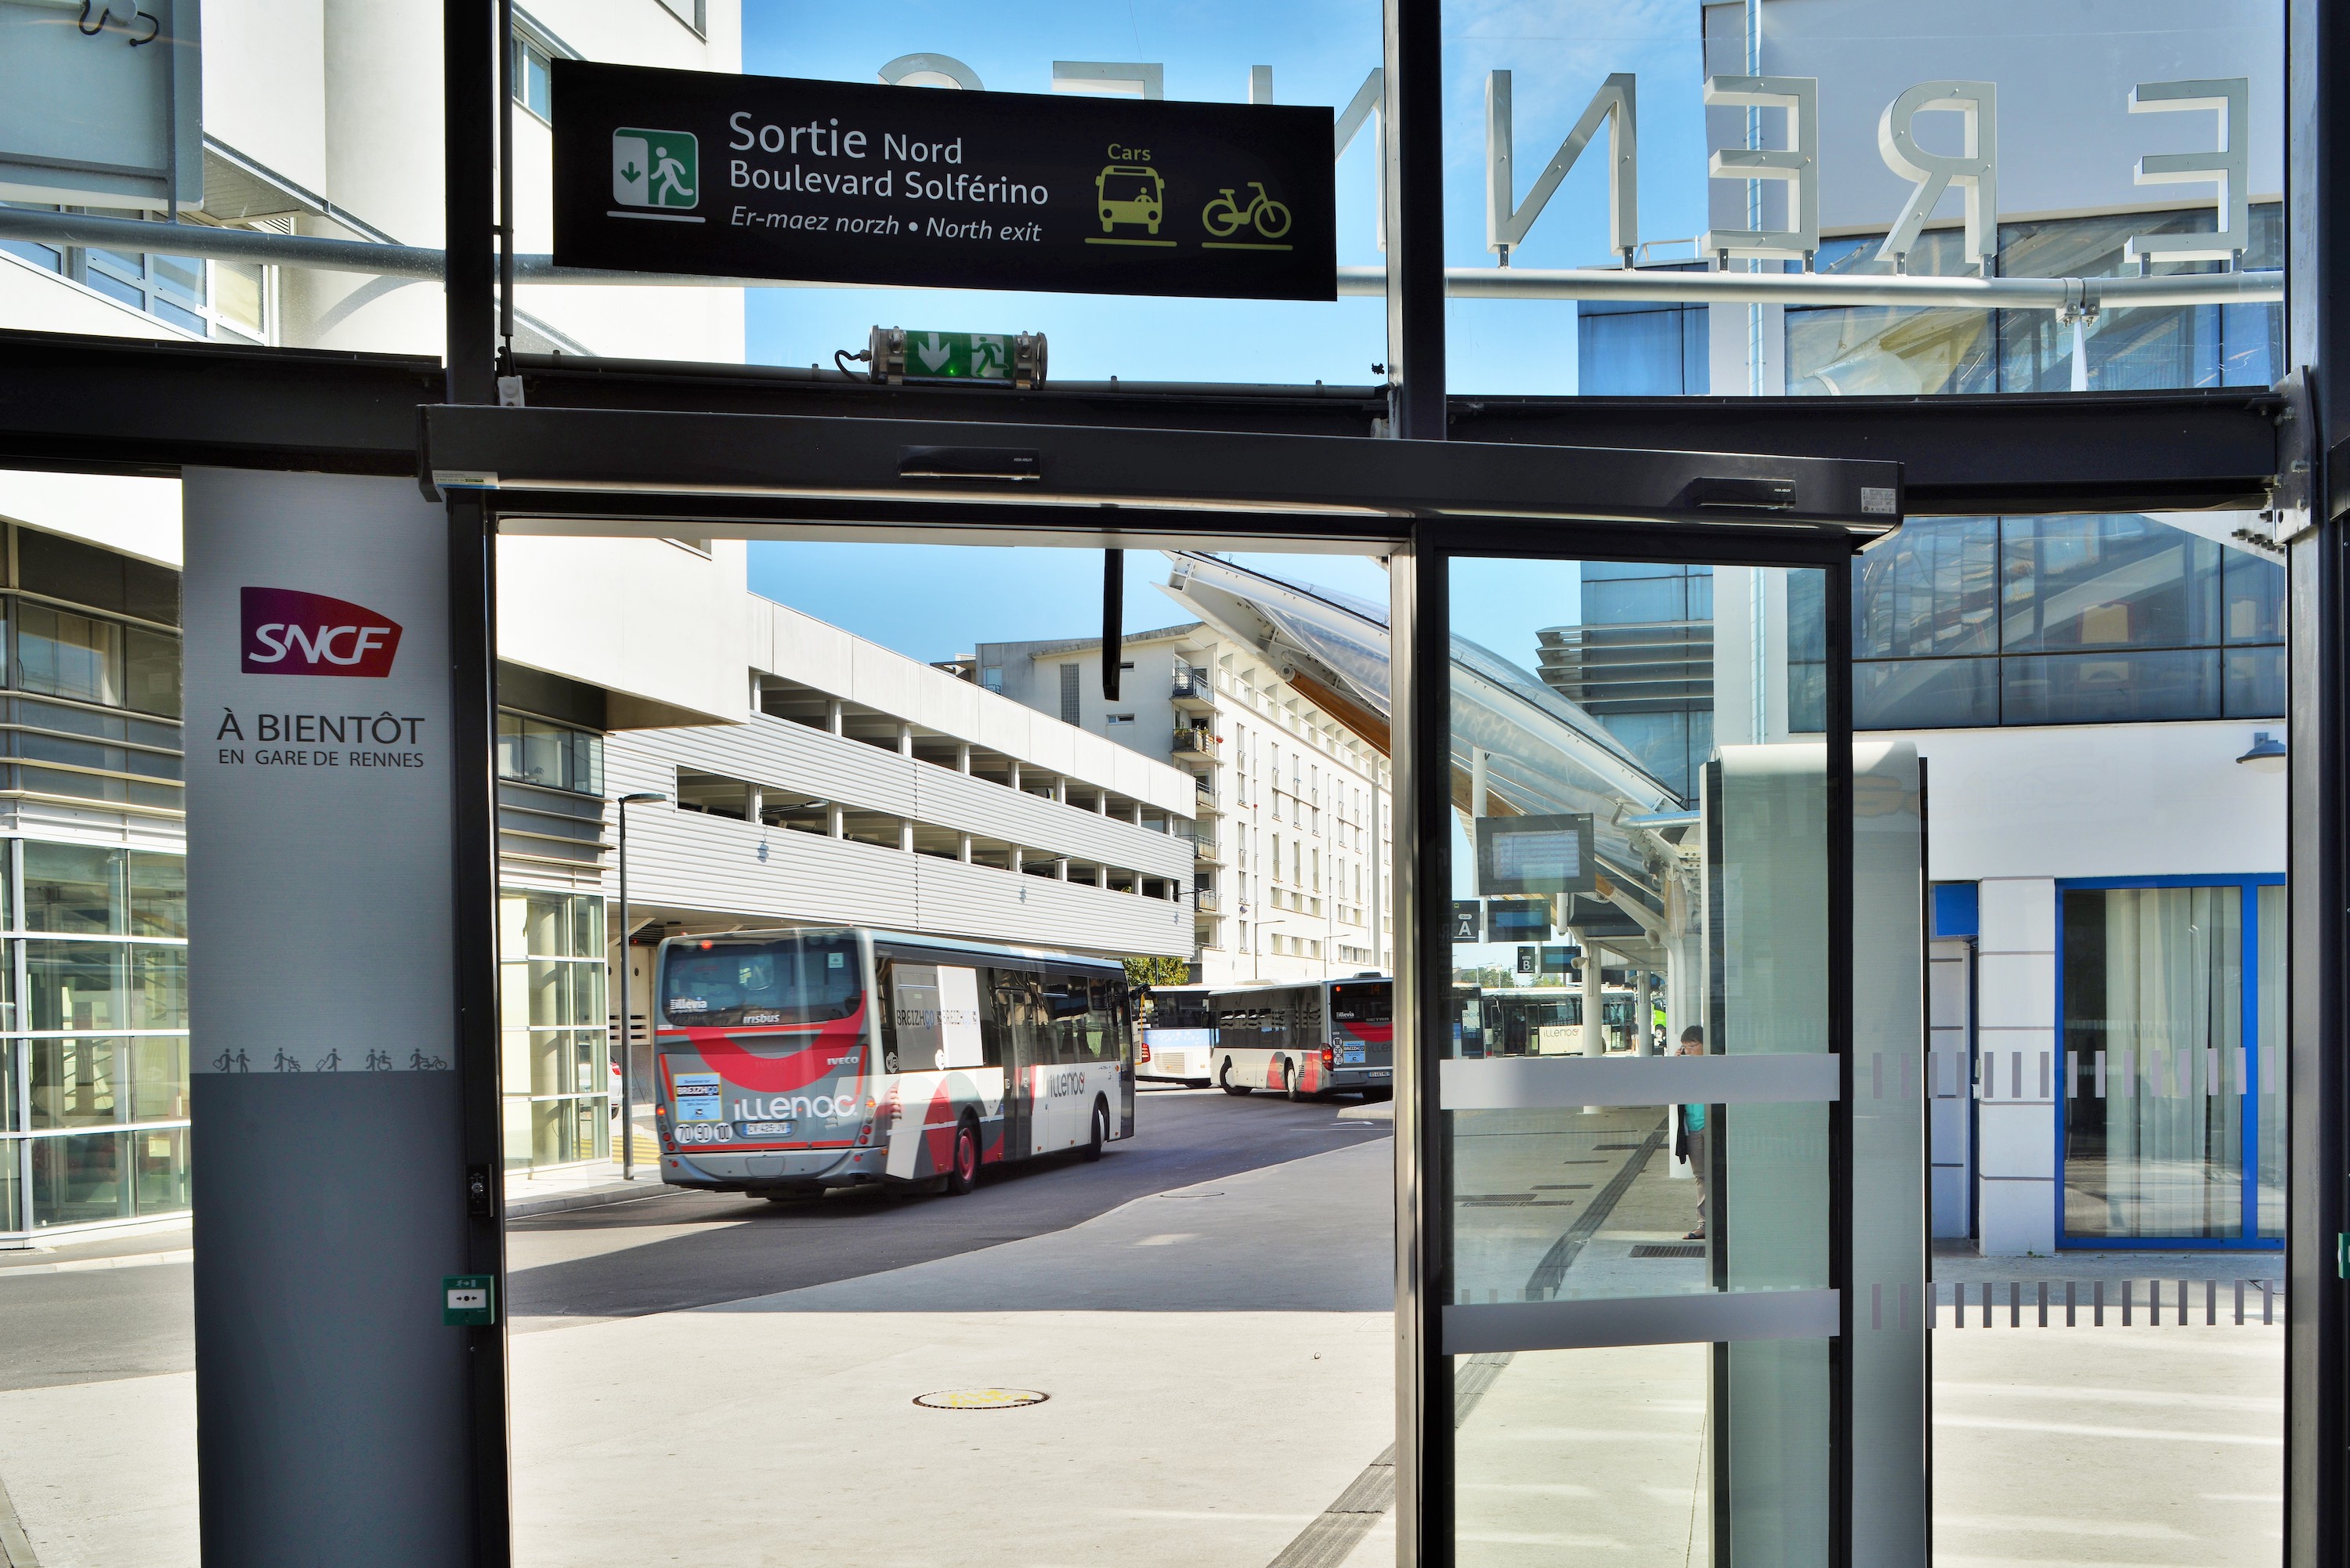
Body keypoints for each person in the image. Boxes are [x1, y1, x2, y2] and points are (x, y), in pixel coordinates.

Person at [1673, 1025, 1707, 1241]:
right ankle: (1704, 1224)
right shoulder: (1683, 1068)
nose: (1689, 1052)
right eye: (1685, 1048)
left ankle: (1725, 1220)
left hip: (1714, 1125)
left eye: (1693, 1047)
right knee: (1701, 1176)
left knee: (1721, 1173)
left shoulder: (1712, 1064)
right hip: (1692, 1127)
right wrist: (1675, 1067)